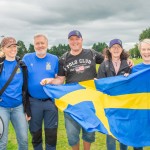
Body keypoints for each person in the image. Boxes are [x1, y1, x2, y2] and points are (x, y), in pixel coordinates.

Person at [97, 39, 143, 150]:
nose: (116, 49)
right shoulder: (104, 65)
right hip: (110, 106)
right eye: (113, 47)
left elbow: (134, 85)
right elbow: (100, 84)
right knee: (111, 134)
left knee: (124, 133)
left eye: (118, 47)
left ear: (122, 49)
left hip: (125, 105)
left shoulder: (128, 64)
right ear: (109, 49)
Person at [23, 34, 59, 150]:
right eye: (37, 43)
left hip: (51, 102)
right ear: (34, 46)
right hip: (33, 102)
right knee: (35, 133)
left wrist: (51, 80)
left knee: (51, 134)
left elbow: (60, 80)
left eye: (42, 43)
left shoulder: (54, 59)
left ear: (47, 44)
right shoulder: (27, 58)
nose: (40, 46)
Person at [0, 37, 28, 150]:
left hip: (18, 107)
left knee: (24, 140)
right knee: (2, 142)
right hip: (2, 108)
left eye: (14, 46)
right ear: (3, 49)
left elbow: (26, 87)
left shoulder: (22, 65)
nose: (13, 49)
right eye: (9, 47)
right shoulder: (0, 64)